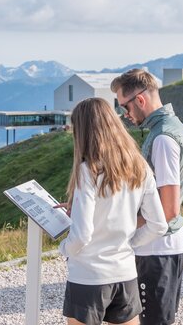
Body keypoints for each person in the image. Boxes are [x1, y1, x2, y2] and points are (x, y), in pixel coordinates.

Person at [58, 97, 168, 325]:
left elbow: (82, 235)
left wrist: (64, 248)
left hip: (88, 276)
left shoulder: (87, 170)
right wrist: (129, 244)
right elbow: (159, 225)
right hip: (125, 273)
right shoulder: (140, 166)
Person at [111, 69, 183, 325]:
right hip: (161, 245)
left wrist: (121, 225)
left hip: (158, 248)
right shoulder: (169, 128)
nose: (125, 114)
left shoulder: (163, 140)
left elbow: (169, 210)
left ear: (140, 100)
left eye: (124, 106)